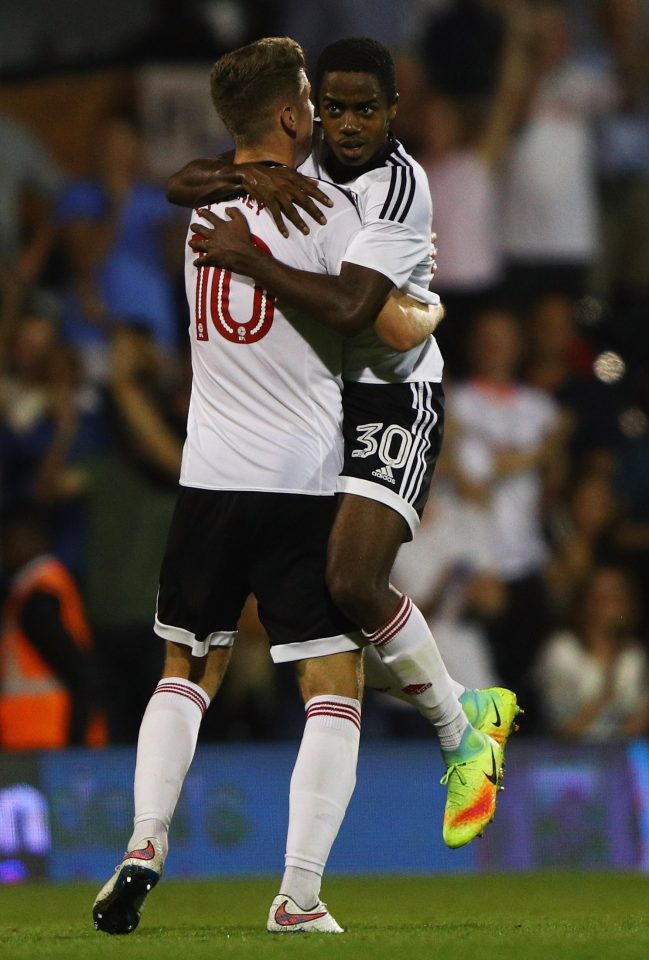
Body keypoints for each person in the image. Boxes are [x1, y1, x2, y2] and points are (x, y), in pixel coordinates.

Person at [92, 37, 440, 938]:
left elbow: (187, 180)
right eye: (312, 106)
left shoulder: (200, 217)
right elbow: (390, 323)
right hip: (300, 477)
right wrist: (428, 308)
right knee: (332, 684)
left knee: (184, 670)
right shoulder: (329, 212)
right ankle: (297, 894)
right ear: (293, 115)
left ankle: (142, 844)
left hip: (206, 474)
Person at [172, 37, 517, 849]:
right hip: (324, 399)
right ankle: (466, 706)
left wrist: (251, 256)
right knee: (323, 629)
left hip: (395, 398)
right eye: (335, 108)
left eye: (367, 108)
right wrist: (243, 174)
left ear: (394, 110)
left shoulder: (400, 188)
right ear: (314, 107)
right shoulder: (308, 165)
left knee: (352, 580)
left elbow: (353, 310)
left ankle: (460, 737)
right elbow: (178, 183)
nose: (350, 123)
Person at [0, 507, 105, 750]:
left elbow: (78, 673)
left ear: (37, 539)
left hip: (46, 740)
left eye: (7, 539)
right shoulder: (41, 588)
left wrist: (75, 743)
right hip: (41, 738)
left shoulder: (38, 598)